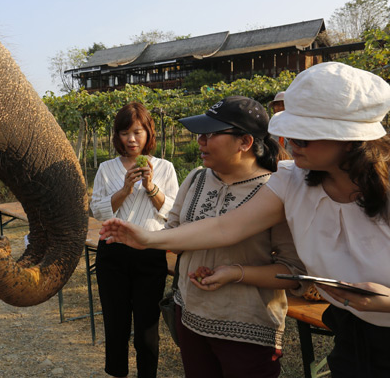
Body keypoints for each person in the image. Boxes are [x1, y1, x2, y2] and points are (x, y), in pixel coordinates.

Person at [99, 62, 390, 377]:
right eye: (289, 134)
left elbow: (288, 268)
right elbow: (226, 227)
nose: (290, 144)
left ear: (350, 139)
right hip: (350, 330)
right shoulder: (293, 180)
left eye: (304, 137)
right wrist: (147, 238)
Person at [167, 95, 304, 378]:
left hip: (247, 330)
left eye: (211, 134)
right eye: (200, 134)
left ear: (245, 142)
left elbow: (293, 272)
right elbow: (172, 234)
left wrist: (235, 272)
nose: (201, 141)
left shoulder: (275, 191)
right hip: (190, 316)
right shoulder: (196, 178)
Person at [90, 102, 179, 378]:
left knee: (147, 330)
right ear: (117, 136)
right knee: (115, 326)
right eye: (125, 132)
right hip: (112, 254)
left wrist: (150, 187)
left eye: (137, 132)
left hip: (149, 254)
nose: (131, 139)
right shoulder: (107, 169)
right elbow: (97, 210)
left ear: (148, 133)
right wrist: (126, 189)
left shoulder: (165, 168)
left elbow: (172, 213)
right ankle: (117, 372)